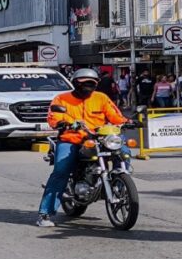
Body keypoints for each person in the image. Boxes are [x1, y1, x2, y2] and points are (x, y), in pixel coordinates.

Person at [36, 68, 129, 227]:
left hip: (99, 138)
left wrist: (127, 121)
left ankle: (120, 186)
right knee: (61, 170)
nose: (88, 87)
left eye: (91, 84)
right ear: (75, 84)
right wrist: (63, 123)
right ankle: (45, 213)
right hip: (72, 139)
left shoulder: (101, 98)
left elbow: (115, 116)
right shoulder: (62, 99)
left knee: (124, 152)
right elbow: (54, 117)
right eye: (84, 84)